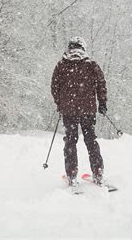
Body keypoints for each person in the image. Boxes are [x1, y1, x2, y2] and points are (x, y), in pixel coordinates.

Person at [51, 36, 108, 187]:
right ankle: (98, 172)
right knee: (91, 141)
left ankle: (72, 174)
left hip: (68, 111)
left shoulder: (61, 65)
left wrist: (60, 103)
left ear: (70, 47)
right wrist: (102, 103)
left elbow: (54, 87)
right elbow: (101, 84)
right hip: (88, 110)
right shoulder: (91, 65)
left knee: (70, 141)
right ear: (83, 48)